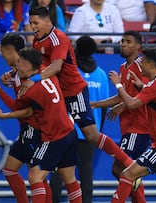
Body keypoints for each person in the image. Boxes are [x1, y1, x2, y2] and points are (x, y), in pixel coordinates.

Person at [23, 6, 133, 173]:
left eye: (35, 23)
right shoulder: (38, 40)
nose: (32, 27)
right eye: (30, 23)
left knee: (91, 135)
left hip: (74, 92)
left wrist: (33, 80)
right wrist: (13, 74)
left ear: (47, 21)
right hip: (58, 94)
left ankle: (127, 161)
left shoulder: (59, 38)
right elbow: (36, 64)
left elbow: (56, 66)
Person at [0, 48, 82, 203]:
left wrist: (3, 111)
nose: (16, 66)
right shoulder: (47, 71)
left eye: (19, 62)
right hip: (70, 131)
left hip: (53, 137)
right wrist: (12, 76)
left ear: (27, 66)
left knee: (35, 176)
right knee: (70, 179)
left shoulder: (29, 88)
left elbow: (24, 111)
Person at [108, 47, 156, 203]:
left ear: (150, 64)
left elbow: (131, 103)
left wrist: (118, 84)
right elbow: (153, 94)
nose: (140, 63)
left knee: (127, 174)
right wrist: (140, 86)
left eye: (142, 61)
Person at [90, 30, 150, 203]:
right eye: (122, 40)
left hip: (139, 128)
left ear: (138, 46)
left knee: (121, 169)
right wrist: (96, 104)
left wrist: (121, 107)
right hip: (129, 128)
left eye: (128, 41)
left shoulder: (142, 66)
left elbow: (145, 94)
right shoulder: (123, 68)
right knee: (127, 171)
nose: (122, 44)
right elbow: (120, 96)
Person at [0, 33, 52, 203]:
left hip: (36, 129)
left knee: (35, 175)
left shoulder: (26, 76)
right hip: (29, 129)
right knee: (16, 171)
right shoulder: (18, 74)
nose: (2, 55)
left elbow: (24, 109)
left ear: (10, 51)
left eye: (3, 51)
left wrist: (0, 94)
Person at [49, 35, 109, 203]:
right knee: (86, 174)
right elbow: (104, 108)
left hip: (65, 131)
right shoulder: (102, 75)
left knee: (59, 173)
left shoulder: (68, 72)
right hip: (88, 132)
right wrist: (96, 132)